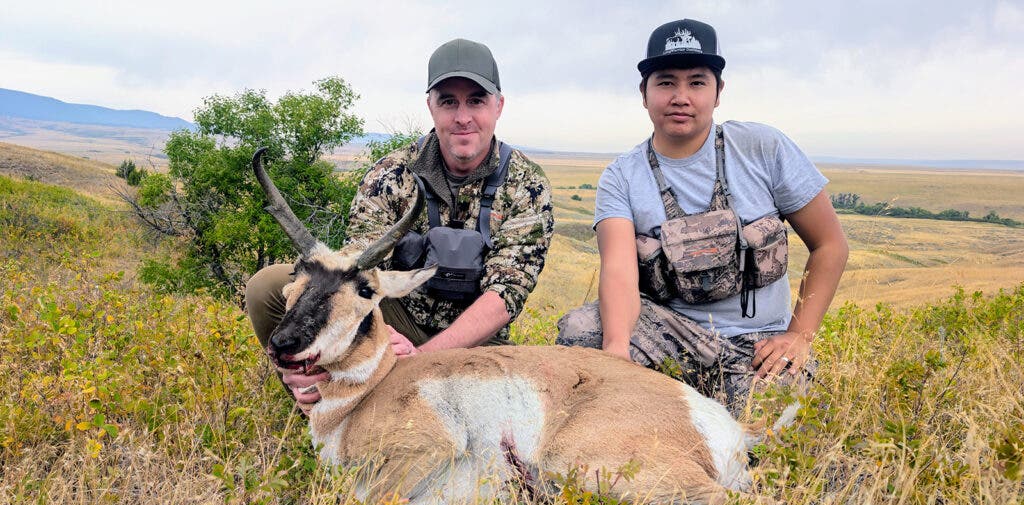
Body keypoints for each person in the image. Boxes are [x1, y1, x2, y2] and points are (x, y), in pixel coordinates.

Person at [556, 19, 848, 418]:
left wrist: (799, 335)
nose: (681, 97)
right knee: (581, 332)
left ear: (718, 91)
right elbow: (619, 272)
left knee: (769, 432)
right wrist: (617, 355)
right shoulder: (621, 176)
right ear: (644, 94)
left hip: (758, 342)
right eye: (665, 82)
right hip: (670, 333)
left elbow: (830, 245)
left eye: (696, 82)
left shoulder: (763, 148)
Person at [247, 38, 554, 413]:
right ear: (430, 106)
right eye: (448, 101)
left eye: (476, 100)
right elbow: (355, 264)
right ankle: (313, 401)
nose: (462, 117)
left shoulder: (526, 184)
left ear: (498, 105)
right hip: (394, 326)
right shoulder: (391, 173)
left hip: (476, 345)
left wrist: (421, 357)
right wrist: (365, 340)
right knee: (268, 287)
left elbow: (506, 294)